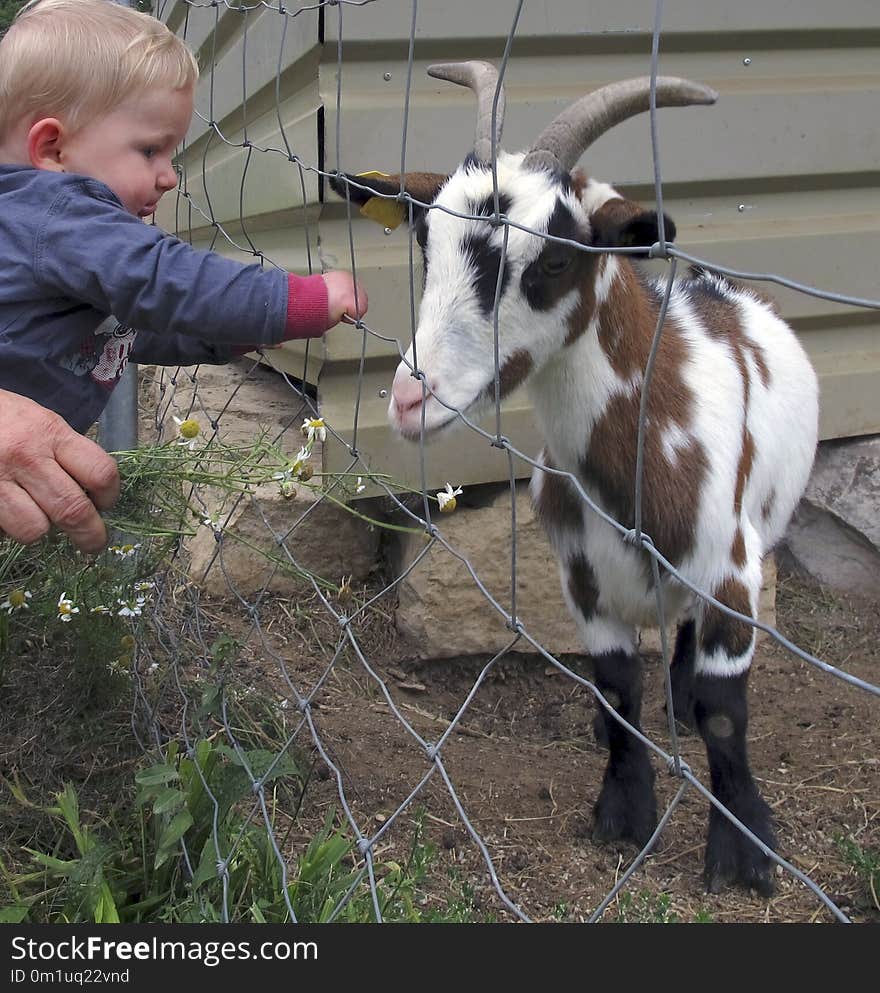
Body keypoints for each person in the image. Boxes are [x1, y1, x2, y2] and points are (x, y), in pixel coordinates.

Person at [0, 0, 367, 550]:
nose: (170, 176)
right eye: (150, 150)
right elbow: (163, 278)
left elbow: (125, 332)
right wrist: (297, 301)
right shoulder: (55, 210)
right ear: (52, 148)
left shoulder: (39, 234)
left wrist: (235, 332)